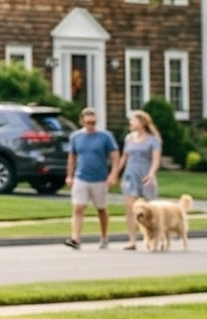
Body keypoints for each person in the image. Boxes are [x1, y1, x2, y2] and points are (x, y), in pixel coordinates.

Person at [64, 107, 118, 249]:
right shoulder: (76, 137)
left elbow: (114, 156)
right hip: (81, 176)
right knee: (78, 207)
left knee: (101, 208)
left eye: (93, 122)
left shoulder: (105, 137)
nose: (91, 125)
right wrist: (69, 175)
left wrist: (113, 174)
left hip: (99, 178)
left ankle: (104, 236)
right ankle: (75, 238)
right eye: (88, 122)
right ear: (82, 121)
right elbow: (72, 157)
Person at [120, 109, 162, 251]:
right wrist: (114, 173)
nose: (130, 123)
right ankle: (132, 240)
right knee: (131, 209)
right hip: (130, 175)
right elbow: (124, 157)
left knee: (151, 210)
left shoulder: (153, 140)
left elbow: (156, 159)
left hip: (145, 175)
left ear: (142, 122)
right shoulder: (129, 138)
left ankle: (154, 238)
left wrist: (151, 174)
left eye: (133, 120)